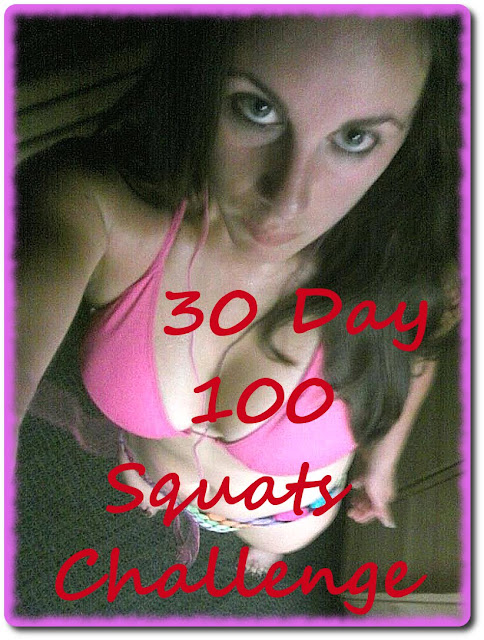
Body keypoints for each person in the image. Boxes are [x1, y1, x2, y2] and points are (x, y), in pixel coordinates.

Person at [15, 14, 460, 604]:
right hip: (156, 474)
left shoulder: (418, 276)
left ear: (409, 136)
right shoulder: (95, 210)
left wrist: (383, 463)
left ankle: (265, 550)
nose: (287, 203)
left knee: (272, 546)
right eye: (257, 108)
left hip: (282, 517)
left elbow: (413, 359)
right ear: (199, 78)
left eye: (355, 138)